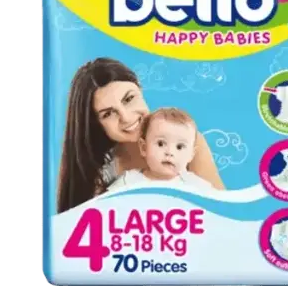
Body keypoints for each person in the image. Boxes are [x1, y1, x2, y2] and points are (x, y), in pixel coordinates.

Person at [57, 57, 224, 213]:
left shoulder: (185, 140)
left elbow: (221, 212)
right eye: (108, 114)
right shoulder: (102, 171)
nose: (126, 117)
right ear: (96, 124)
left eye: (129, 99)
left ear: (140, 88)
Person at [107, 107, 216, 191]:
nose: (170, 152)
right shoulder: (128, 181)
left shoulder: (196, 187)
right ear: (144, 148)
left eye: (179, 147)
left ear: (191, 155)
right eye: (160, 144)